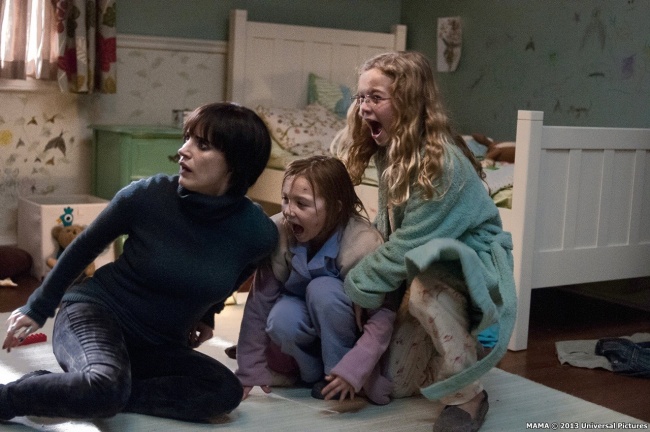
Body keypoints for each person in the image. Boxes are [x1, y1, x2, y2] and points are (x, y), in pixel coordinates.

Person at [1, 102, 279, 423]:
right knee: (105, 386)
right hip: (95, 315)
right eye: (187, 138)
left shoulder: (257, 232)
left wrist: (208, 314)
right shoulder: (148, 196)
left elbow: (242, 268)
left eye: (202, 145)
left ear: (237, 163)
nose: (183, 151)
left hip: (158, 344)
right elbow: (82, 248)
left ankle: (78, 390)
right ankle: (12, 397)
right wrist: (38, 307)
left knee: (224, 391)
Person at [340, 51, 516, 432]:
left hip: (469, 269)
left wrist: (356, 285)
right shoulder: (393, 152)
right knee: (399, 382)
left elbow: (407, 244)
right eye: (360, 97)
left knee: (424, 293)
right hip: (425, 265)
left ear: (408, 103)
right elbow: (391, 230)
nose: (363, 107)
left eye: (376, 97)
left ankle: (468, 395)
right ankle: (459, 350)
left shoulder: (441, 165)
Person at [235, 155, 396, 404]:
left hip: (345, 331)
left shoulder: (362, 243)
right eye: (285, 199)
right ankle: (310, 373)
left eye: (302, 204)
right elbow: (258, 304)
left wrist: (355, 368)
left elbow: (382, 317)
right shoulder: (279, 233)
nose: (288, 211)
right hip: (303, 321)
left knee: (323, 289)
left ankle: (338, 374)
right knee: (281, 318)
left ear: (336, 207)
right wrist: (250, 367)